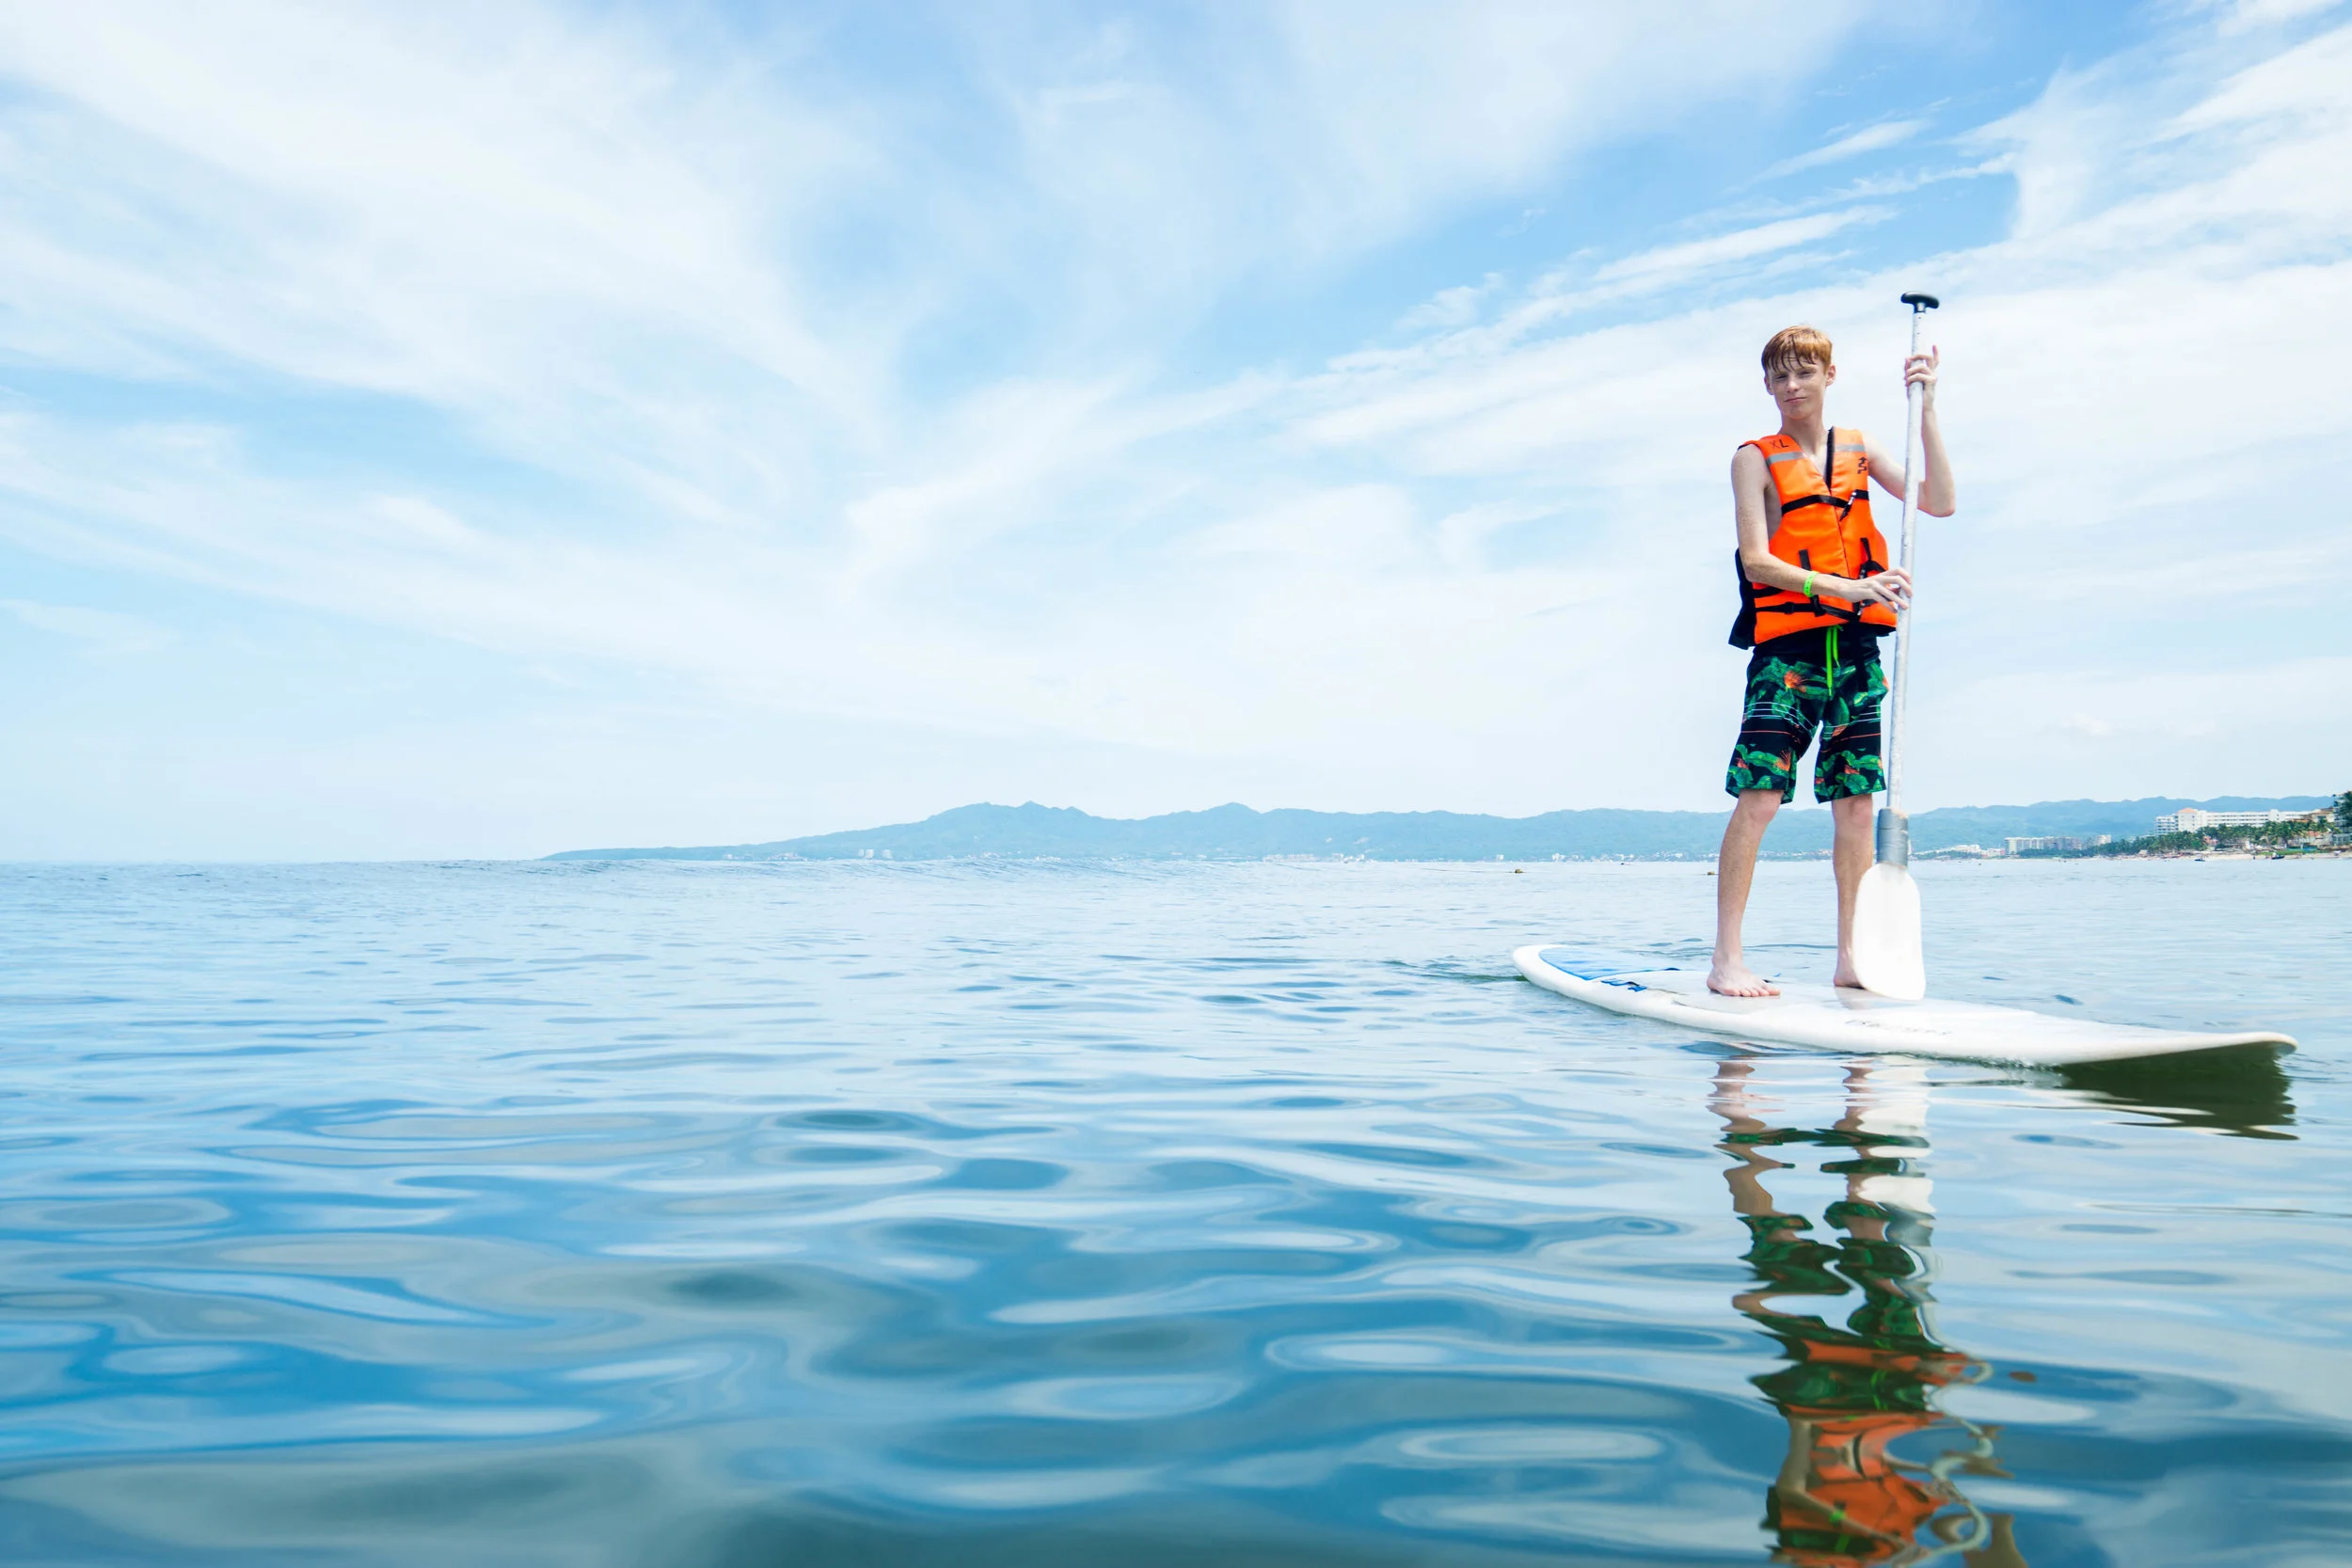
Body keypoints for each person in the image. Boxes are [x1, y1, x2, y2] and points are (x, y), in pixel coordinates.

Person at [1709, 325, 1954, 997]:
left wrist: (1926, 406)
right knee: (1759, 799)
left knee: (1854, 804)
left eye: (1804, 373)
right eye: (1780, 376)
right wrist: (1851, 588)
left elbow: (1939, 501)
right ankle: (1726, 957)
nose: (1792, 386)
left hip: (1855, 653)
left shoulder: (1861, 447)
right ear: (1767, 386)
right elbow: (1759, 559)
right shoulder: (1753, 460)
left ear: (1829, 376)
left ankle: (1852, 956)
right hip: (1786, 653)